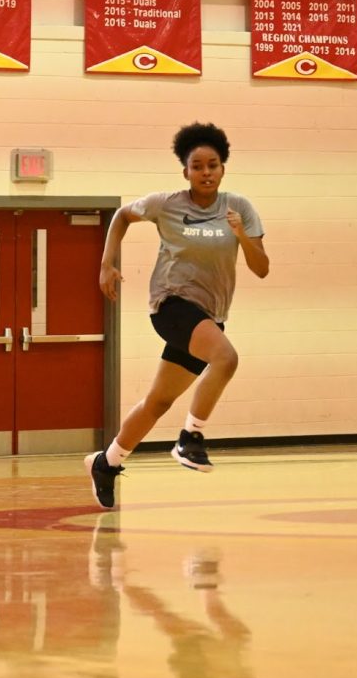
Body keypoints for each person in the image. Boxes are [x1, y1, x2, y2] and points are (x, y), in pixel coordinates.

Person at [88, 122, 269, 509]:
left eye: (213, 165)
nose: (206, 172)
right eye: (197, 165)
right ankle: (191, 438)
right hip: (171, 304)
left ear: (223, 169)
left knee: (158, 402)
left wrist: (240, 236)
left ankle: (107, 462)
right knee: (226, 358)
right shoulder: (166, 204)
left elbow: (262, 268)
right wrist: (106, 264)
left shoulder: (241, 209)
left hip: (210, 314)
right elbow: (121, 215)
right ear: (185, 170)